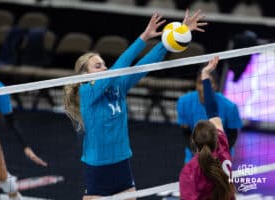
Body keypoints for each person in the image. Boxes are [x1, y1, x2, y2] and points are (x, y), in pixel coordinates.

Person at [64, 9, 207, 200]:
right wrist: (144, 37)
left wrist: (173, 37)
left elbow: (145, 65)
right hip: (98, 164)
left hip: (122, 160)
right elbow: (120, 66)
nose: (105, 68)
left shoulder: (118, 86)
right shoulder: (87, 91)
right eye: (98, 66)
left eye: (104, 64)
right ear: (85, 75)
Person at [0, 57, 47, 200]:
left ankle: (15, 197)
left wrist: (25, 147)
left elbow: (10, 121)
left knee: (0, 173)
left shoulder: (0, 90)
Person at [179, 56, 235, 200]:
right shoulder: (223, 147)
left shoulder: (190, 170)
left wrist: (205, 74)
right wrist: (205, 76)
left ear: (194, 142)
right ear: (217, 136)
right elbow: (213, 112)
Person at [177, 64, 242, 163]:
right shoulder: (183, 102)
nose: (204, 87)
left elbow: (232, 136)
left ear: (215, 85)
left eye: (208, 83)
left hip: (221, 155)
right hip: (194, 155)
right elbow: (185, 133)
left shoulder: (230, 107)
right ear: (196, 85)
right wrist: (197, 152)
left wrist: (217, 153)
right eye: (201, 83)